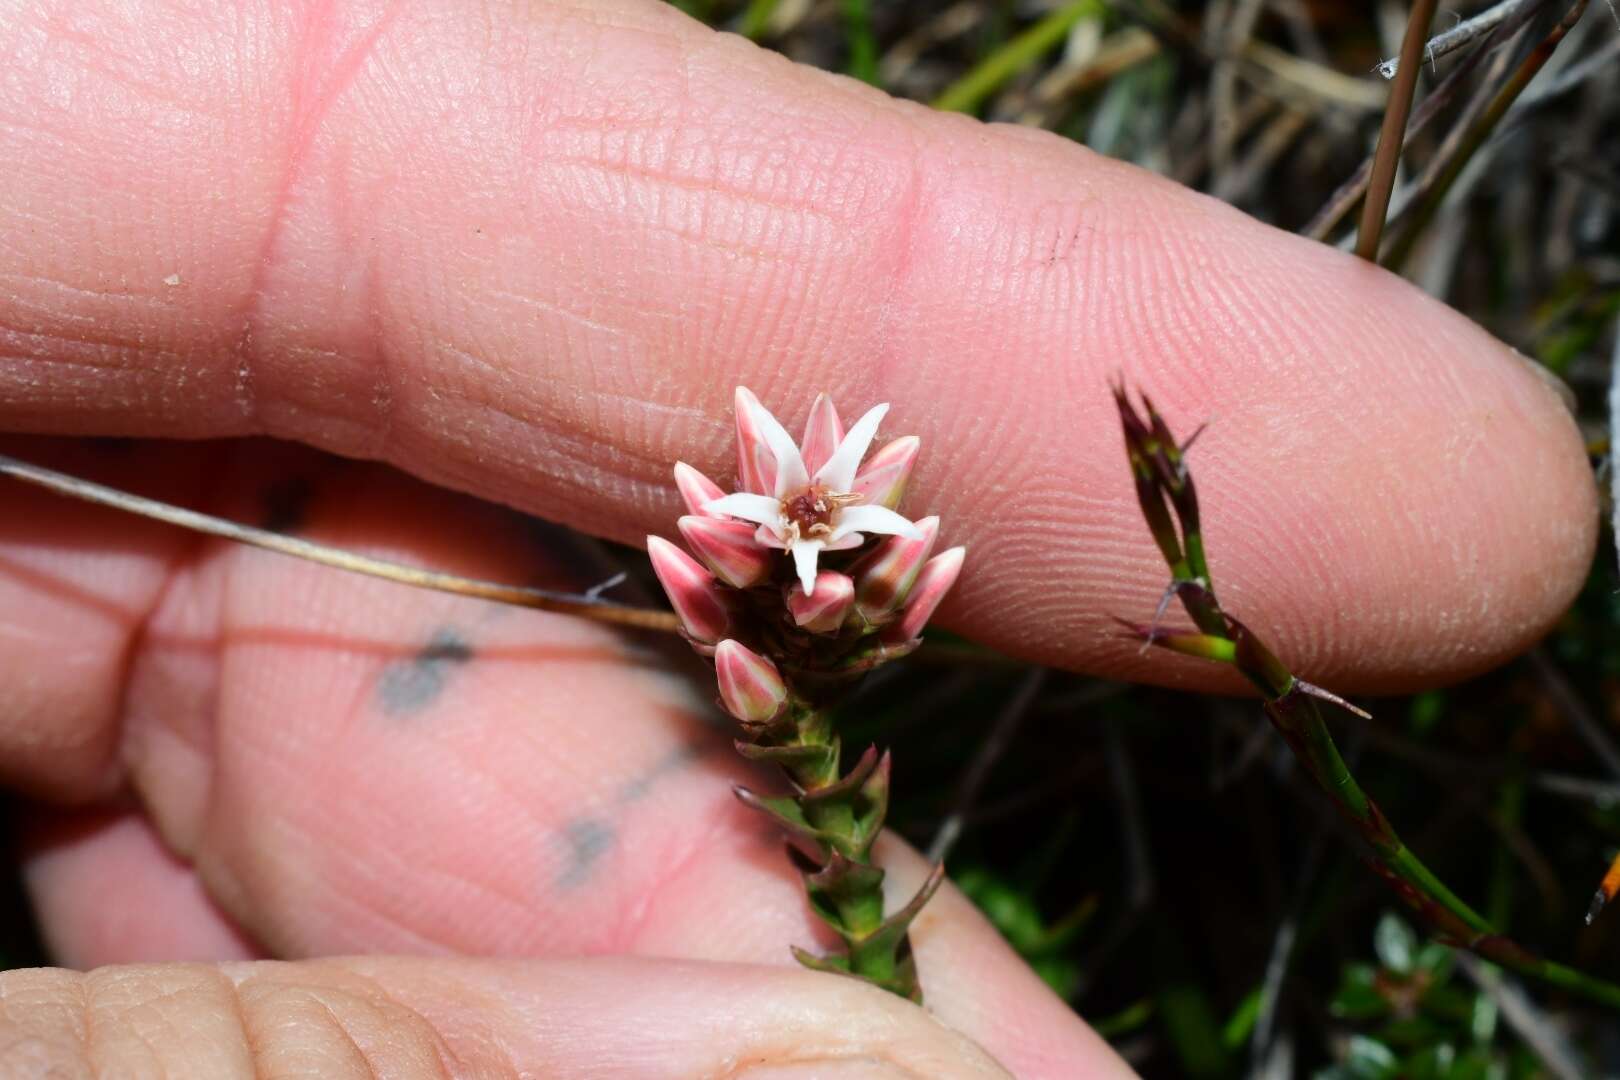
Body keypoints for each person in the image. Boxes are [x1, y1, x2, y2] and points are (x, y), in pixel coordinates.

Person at [0, 2, 1596, 1076]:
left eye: (821, 510)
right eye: (802, 511)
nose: (810, 513)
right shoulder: (777, 532)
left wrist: (816, 597)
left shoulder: (823, 536)